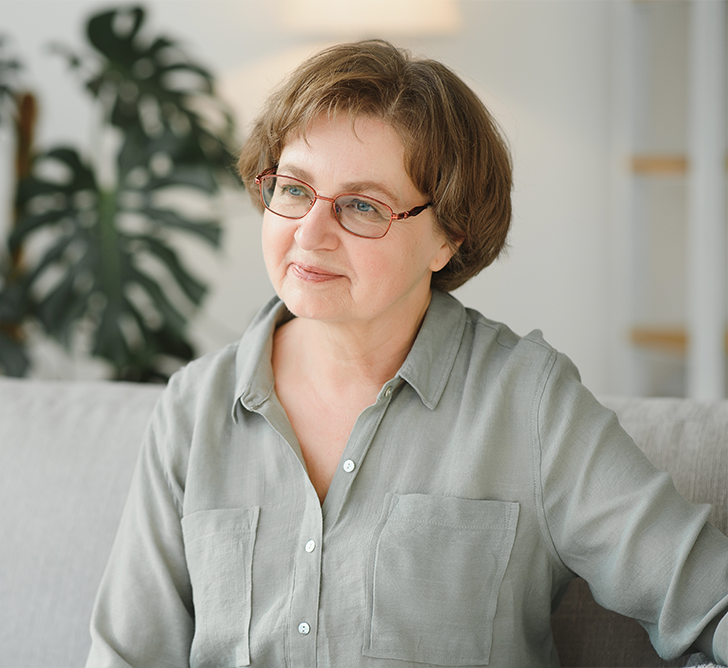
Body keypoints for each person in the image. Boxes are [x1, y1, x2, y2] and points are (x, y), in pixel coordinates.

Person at [85, 40, 728, 667]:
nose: (310, 233)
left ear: (448, 236)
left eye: (362, 206)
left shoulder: (529, 403)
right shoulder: (192, 409)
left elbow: (710, 603)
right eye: (293, 188)